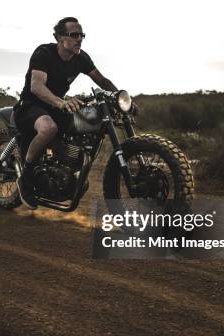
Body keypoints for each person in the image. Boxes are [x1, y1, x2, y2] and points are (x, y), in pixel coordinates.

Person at [14, 16, 136, 209]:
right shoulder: (43, 53)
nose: (79, 39)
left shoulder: (81, 58)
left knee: (81, 131)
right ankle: (26, 178)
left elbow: (102, 81)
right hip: (30, 105)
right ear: (59, 38)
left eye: (82, 35)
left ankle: (65, 174)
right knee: (48, 128)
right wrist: (61, 102)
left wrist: (123, 99)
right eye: (74, 35)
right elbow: (37, 87)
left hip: (56, 107)